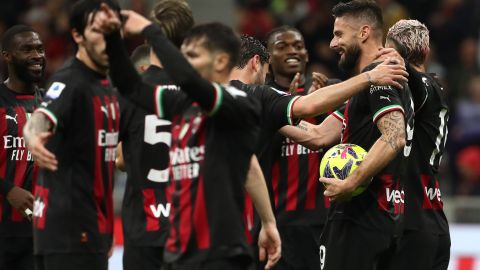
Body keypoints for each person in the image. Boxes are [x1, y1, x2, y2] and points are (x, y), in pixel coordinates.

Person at [94, 5, 282, 270]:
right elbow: (131, 86)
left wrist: (151, 32)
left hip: (219, 249)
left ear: (219, 61)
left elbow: (189, 79)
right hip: (181, 248)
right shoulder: (184, 101)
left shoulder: (237, 101)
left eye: (192, 54)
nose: (184, 60)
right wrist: (113, 37)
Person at [230, 34, 408, 270]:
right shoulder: (258, 95)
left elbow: (315, 135)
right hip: (247, 224)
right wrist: (370, 76)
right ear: (256, 62)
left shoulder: (202, 96)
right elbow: (309, 107)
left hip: (195, 219)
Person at [23, 1, 125, 269]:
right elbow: (41, 117)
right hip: (68, 231)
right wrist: (33, 137)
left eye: (111, 31)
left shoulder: (107, 87)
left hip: (91, 229)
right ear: (78, 35)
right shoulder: (70, 80)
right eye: (97, 31)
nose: (106, 40)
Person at [318, 1, 414, 269]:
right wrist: (263, 109)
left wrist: (351, 182)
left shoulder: (378, 76)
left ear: (363, 33)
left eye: (339, 34)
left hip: (361, 216)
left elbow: (394, 136)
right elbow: (317, 135)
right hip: (386, 216)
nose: (331, 44)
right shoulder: (375, 78)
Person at [119, 1, 194, 270]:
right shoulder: (201, 92)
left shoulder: (131, 92)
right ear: (189, 37)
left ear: (150, 37)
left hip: (144, 228)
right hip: (191, 230)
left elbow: (107, 155)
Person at [385, 19, 450, 270]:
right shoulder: (437, 86)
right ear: (427, 51)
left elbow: (415, 81)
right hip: (431, 214)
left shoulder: (425, 86)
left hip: (412, 223)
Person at [0, 24, 45, 270]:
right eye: (26, 49)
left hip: (40, 233)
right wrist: (7, 189)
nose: (37, 55)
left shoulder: (53, 105)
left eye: (39, 48)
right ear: (7, 56)